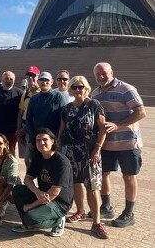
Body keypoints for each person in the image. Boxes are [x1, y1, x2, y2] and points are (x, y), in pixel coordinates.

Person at [91, 62, 146, 228]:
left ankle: (129, 213)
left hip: (128, 143)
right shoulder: (95, 93)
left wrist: (118, 125)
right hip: (107, 144)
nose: (101, 77)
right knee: (104, 174)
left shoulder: (126, 88)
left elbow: (141, 112)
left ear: (112, 72)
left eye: (104, 73)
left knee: (129, 176)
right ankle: (106, 207)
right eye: (97, 75)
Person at [58, 76, 108, 239]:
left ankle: (96, 222)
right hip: (70, 151)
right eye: (74, 87)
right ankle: (80, 211)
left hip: (89, 151)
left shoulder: (94, 105)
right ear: (70, 90)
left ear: (86, 88)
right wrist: (59, 149)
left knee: (92, 186)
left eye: (80, 87)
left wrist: (97, 149)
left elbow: (102, 129)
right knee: (76, 182)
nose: (78, 90)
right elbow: (62, 129)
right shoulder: (67, 108)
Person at [12, 128, 73, 237]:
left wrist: (31, 205)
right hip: (43, 194)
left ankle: (58, 220)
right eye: (38, 140)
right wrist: (37, 192)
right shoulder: (38, 157)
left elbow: (54, 192)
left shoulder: (61, 162)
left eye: (45, 139)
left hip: (59, 202)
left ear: (53, 141)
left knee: (31, 218)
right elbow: (27, 179)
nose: (41, 143)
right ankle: (28, 225)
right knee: (18, 190)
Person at [26, 71, 66, 158]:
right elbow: (28, 118)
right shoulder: (34, 99)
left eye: (47, 80)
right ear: (38, 82)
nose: (44, 82)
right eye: (41, 80)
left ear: (51, 82)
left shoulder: (58, 97)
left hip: (53, 138)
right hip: (38, 139)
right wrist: (33, 137)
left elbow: (63, 119)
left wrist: (57, 137)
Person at [0, 71, 23, 156]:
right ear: (2, 79)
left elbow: (22, 111)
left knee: (10, 154)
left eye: (11, 79)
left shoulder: (19, 93)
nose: (8, 80)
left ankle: (11, 169)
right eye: (6, 78)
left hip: (11, 131)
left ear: (14, 80)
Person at [16, 65, 41, 170]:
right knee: (27, 159)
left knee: (36, 157)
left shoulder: (43, 93)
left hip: (36, 127)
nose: (30, 79)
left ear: (38, 77)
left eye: (33, 76)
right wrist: (18, 130)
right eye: (28, 76)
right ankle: (29, 180)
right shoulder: (26, 93)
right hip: (24, 126)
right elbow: (20, 112)